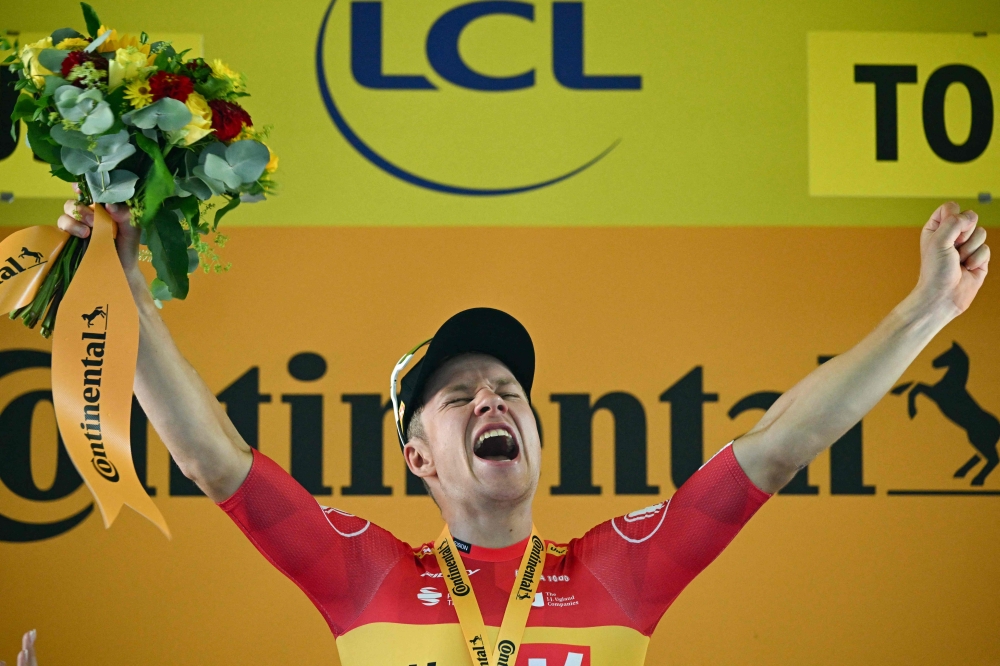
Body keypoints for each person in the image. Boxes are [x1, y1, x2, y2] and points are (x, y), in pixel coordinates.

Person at [53, 200, 989, 665]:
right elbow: (210, 454)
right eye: (457, 399)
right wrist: (124, 296)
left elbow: (782, 442)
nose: (492, 400)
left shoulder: (621, 568)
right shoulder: (369, 574)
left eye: (506, 389)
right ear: (417, 457)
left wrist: (923, 313)